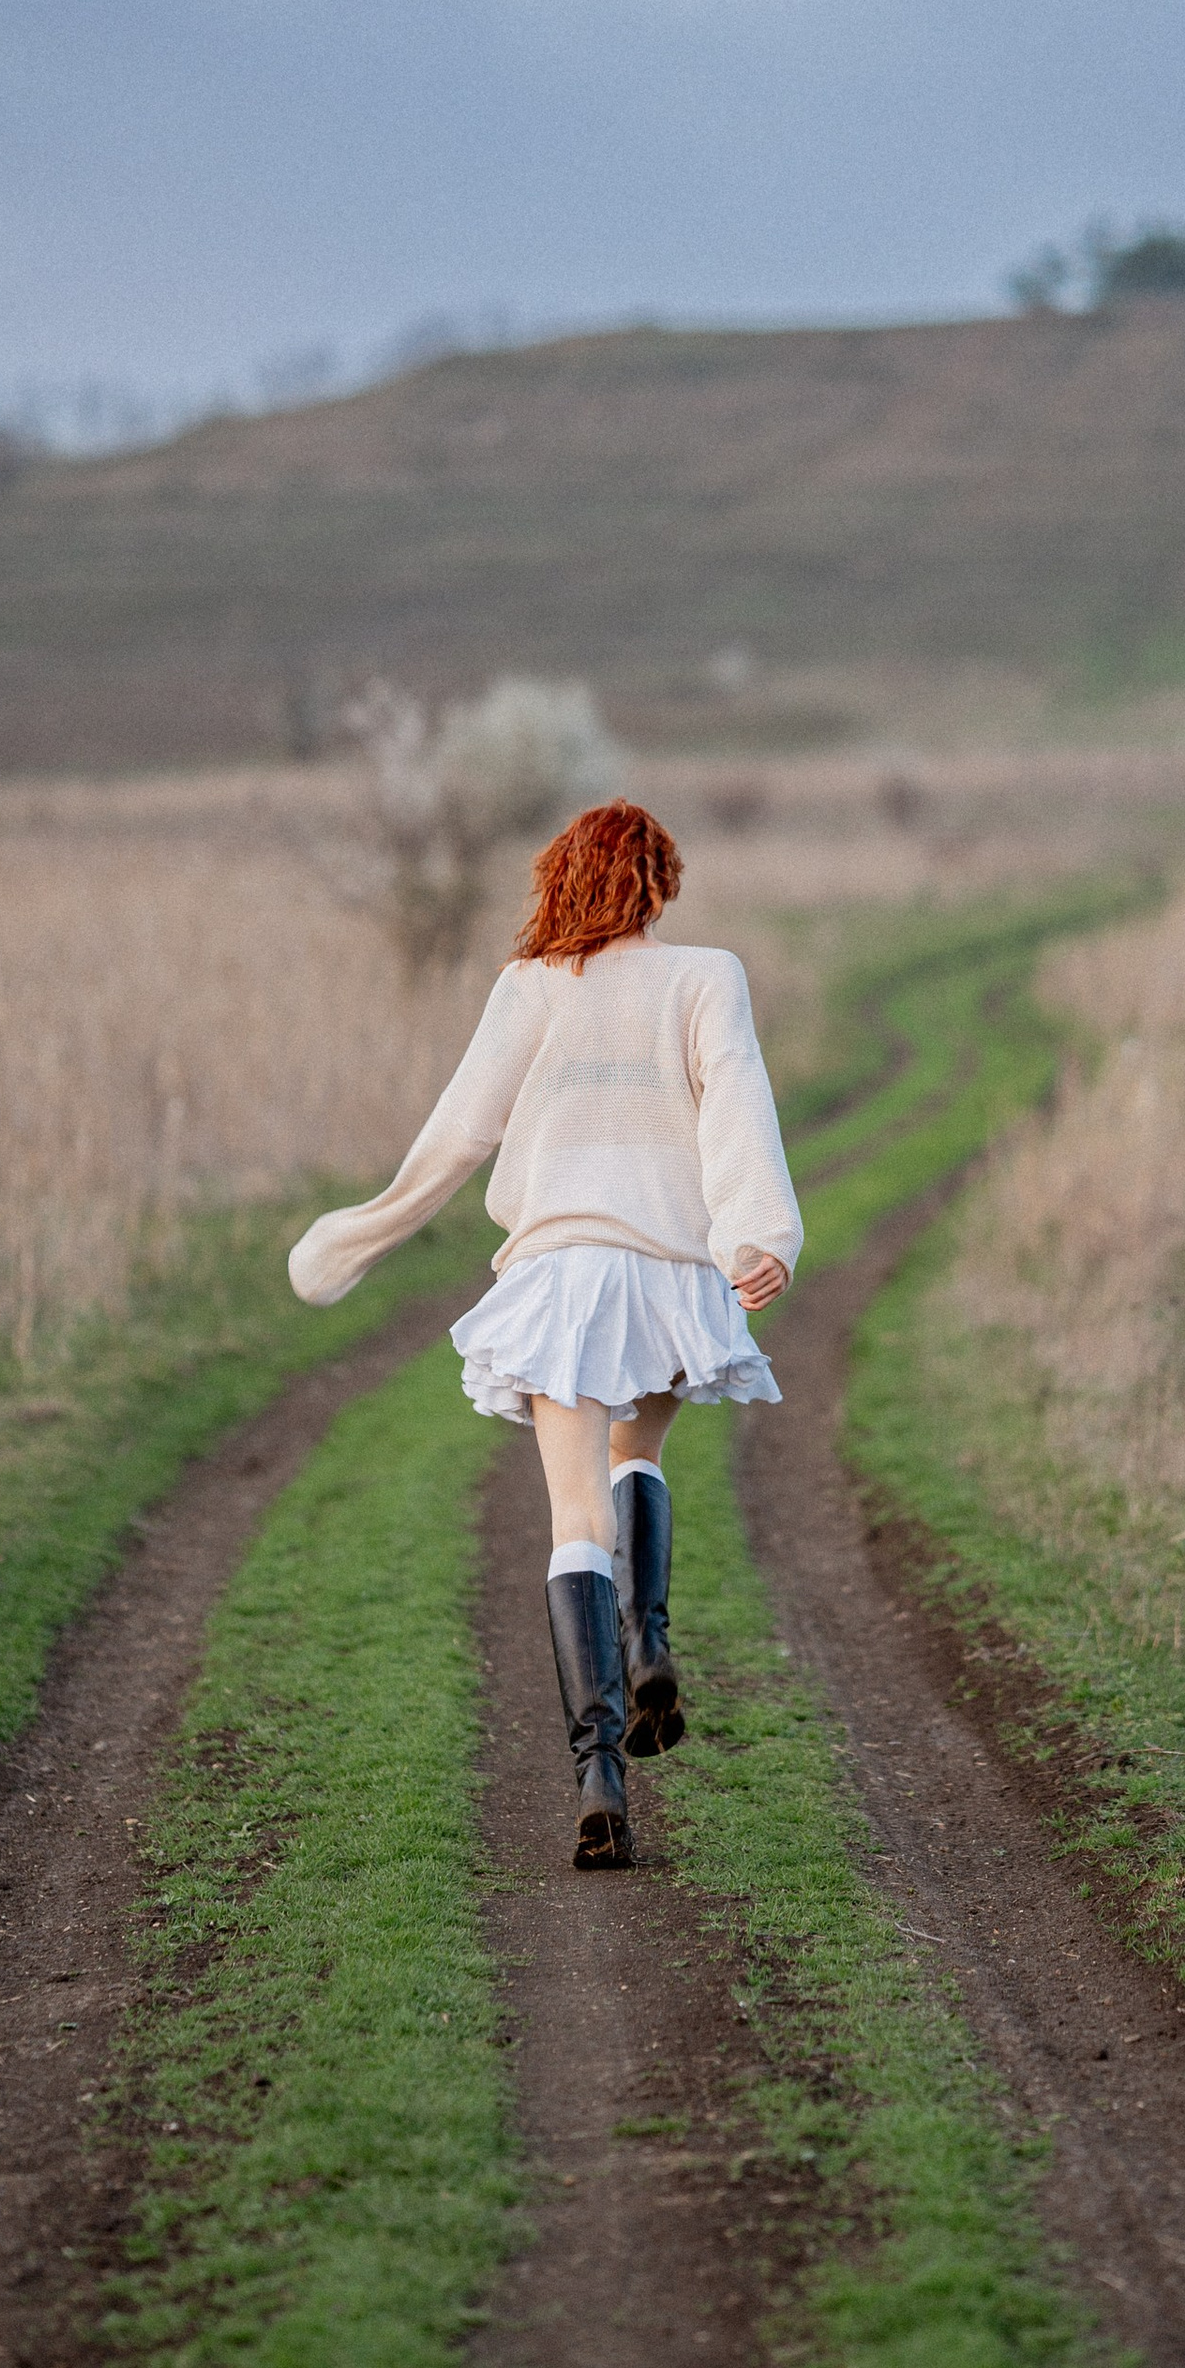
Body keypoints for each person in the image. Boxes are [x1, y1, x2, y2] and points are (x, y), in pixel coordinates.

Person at [288, 798, 800, 1869]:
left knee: (573, 1512)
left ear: (563, 883)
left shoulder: (529, 987)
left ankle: (596, 1771)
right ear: (658, 882)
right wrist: (761, 1237)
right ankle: (650, 1641)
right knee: (639, 1454)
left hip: (562, 1275)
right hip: (669, 1270)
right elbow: (735, 1103)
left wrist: (366, 1231)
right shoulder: (707, 975)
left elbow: (460, 1131)